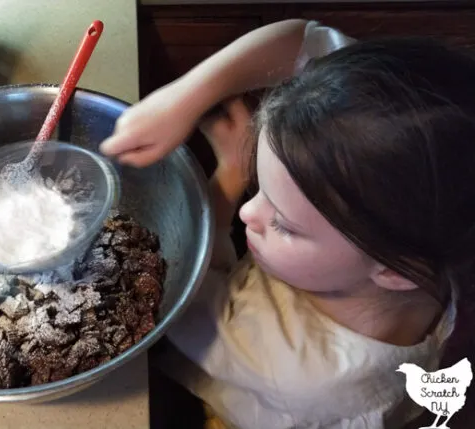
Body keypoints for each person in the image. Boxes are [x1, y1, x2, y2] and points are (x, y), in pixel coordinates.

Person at [99, 19, 475, 429]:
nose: (249, 213)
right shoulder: (428, 183)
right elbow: (301, 40)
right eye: (258, 188)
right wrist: (186, 97)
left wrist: (229, 180)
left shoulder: (288, 365)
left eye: (284, 224)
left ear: (392, 269)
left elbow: (182, 298)